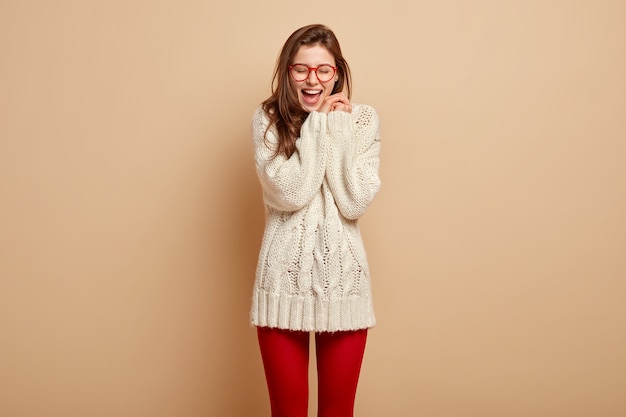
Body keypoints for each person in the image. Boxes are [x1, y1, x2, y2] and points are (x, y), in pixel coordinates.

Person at [250, 24, 381, 417]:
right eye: (301, 69)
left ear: (337, 71)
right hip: (280, 286)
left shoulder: (362, 120)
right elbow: (290, 194)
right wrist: (320, 126)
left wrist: (335, 128)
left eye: (323, 70)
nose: (312, 80)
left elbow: (354, 201)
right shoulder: (267, 119)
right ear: (287, 71)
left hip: (344, 285)